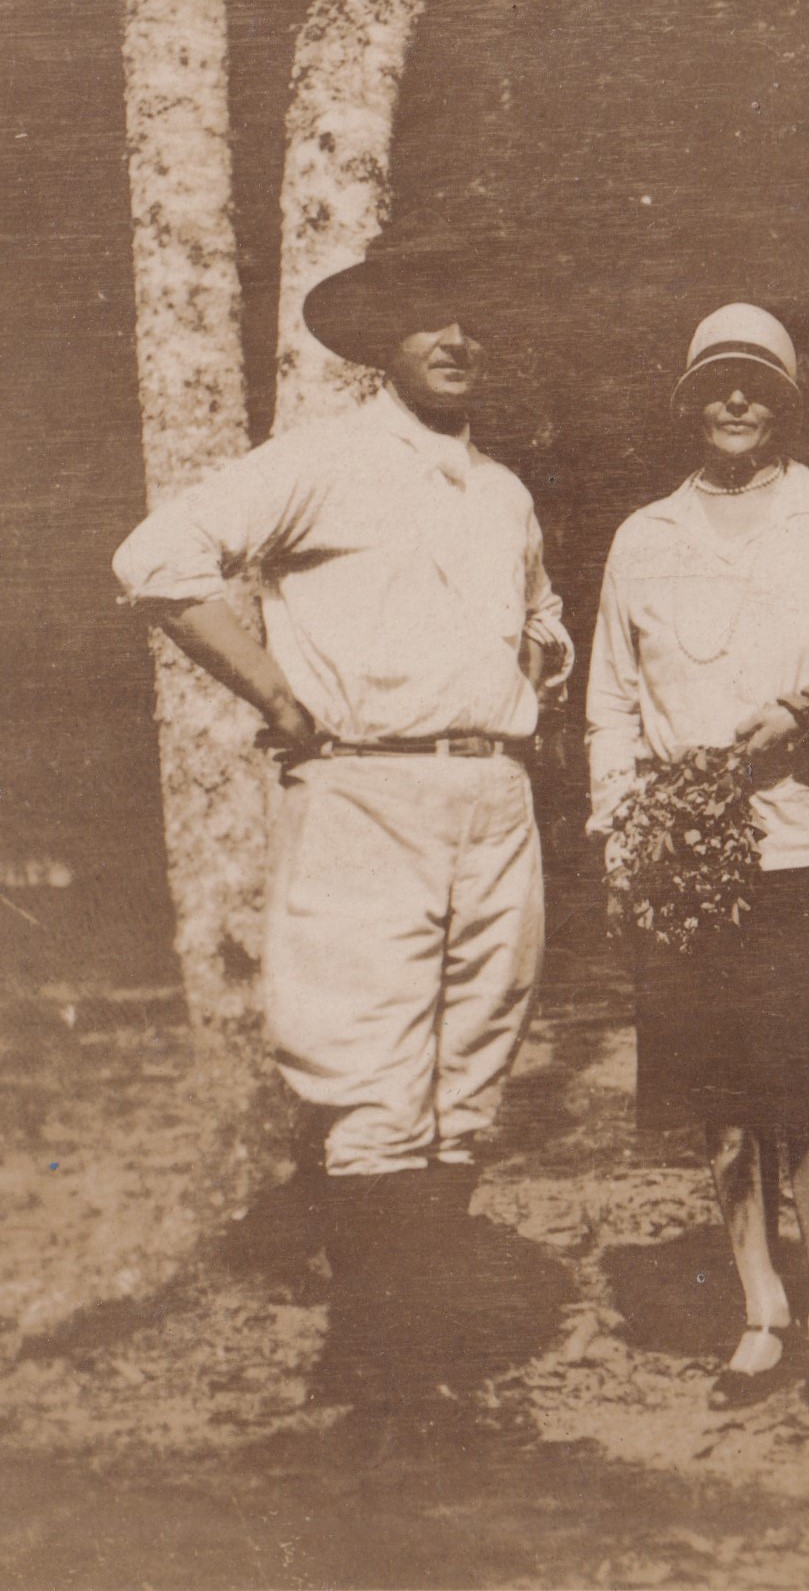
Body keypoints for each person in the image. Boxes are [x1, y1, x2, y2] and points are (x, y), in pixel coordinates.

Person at [111, 230, 572, 1423]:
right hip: (364, 790)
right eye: (426, 318)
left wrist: (524, 681)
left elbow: (539, 621)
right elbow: (155, 558)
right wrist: (273, 691)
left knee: (467, 1071)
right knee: (371, 1074)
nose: (453, 338)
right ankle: (378, 1371)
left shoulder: (506, 488)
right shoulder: (320, 461)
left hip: (493, 793)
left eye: (469, 316)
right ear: (382, 344)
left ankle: (417, 1355)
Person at [584, 303, 809, 1426]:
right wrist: (620, 839)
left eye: (756, 384)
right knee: (724, 1103)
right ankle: (759, 1308)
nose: (735, 401)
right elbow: (611, 707)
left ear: (785, 400)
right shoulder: (643, 536)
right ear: (689, 402)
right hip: (686, 864)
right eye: (715, 384)